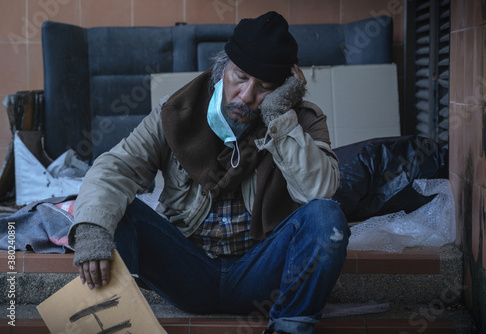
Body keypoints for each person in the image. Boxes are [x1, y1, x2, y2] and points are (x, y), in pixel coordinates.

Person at [70, 11, 350, 334]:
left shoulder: (299, 120)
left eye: (264, 87)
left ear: (283, 89)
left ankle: (288, 328)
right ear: (222, 69)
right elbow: (115, 167)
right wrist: (92, 229)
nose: (246, 96)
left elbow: (320, 192)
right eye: (241, 77)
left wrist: (279, 117)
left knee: (327, 218)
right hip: (187, 268)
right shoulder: (178, 111)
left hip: (260, 271)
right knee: (111, 214)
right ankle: (114, 327)